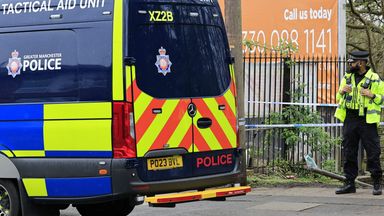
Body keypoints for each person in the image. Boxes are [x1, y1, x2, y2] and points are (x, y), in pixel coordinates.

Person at [334, 51, 384, 195]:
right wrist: (342, 91)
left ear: (361, 63)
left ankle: (376, 183)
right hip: (350, 118)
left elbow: (382, 98)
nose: (350, 64)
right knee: (349, 150)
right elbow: (337, 96)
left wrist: (372, 95)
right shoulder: (347, 77)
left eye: (352, 62)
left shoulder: (374, 79)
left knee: (373, 152)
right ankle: (349, 183)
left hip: (367, 119)